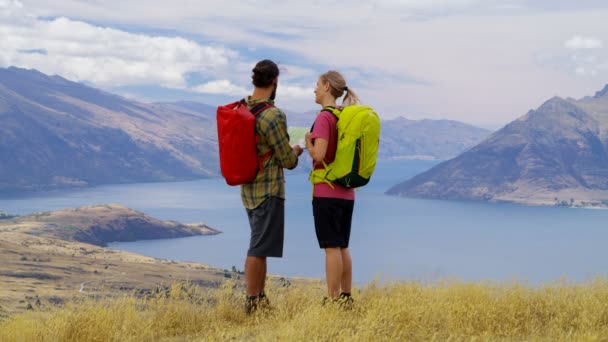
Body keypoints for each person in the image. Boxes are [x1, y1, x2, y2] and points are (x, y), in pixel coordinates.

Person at [241, 59, 303, 314]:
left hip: (248, 189)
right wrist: (297, 149)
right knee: (258, 247)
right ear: (275, 81)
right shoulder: (273, 115)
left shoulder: (243, 108)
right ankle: (253, 302)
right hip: (268, 189)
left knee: (261, 246)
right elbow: (287, 160)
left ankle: (260, 299)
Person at [305, 70, 359, 307]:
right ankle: (346, 297)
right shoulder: (343, 115)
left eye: (317, 84)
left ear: (327, 87)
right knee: (342, 245)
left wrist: (308, 141)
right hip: (347, 192)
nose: (314, 89)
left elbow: (319, 153)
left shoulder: (325, 118)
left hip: (326, 192)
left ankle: (333, 300)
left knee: (330, 248)